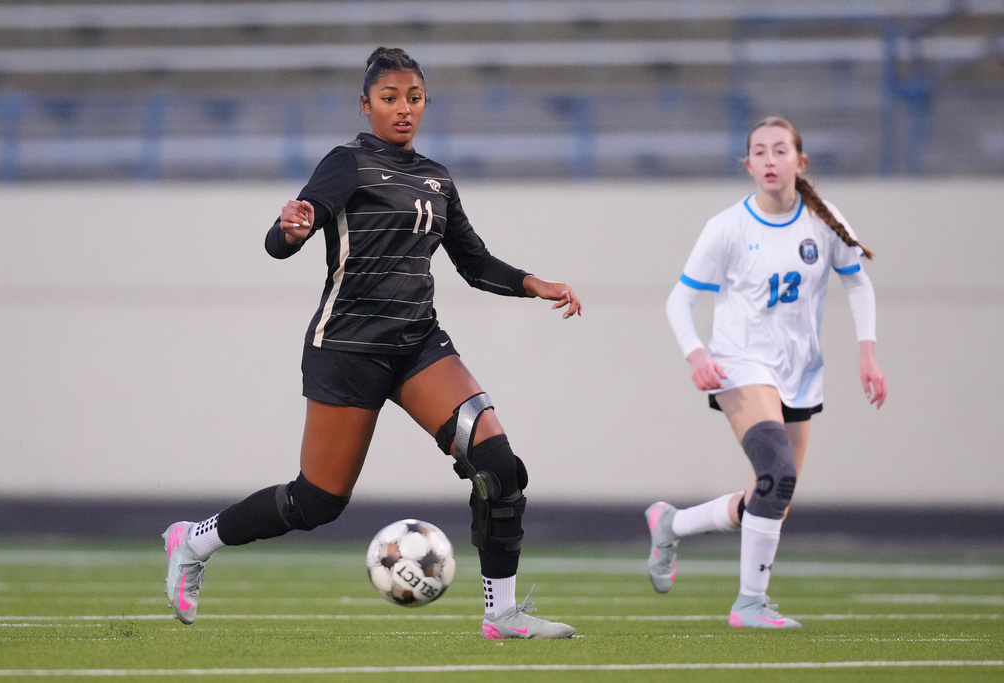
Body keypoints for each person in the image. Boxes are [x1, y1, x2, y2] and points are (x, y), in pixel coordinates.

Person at [162, 47, 581, 639]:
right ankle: (194, 541)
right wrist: (292, 230)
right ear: (366, 105)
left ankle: (502, 614)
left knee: (497, 465)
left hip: (418, 346)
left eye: (413, 98)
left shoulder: (437, 177)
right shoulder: (347, 164)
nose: (403, 108)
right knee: (317, 502)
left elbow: (473, 261)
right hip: (347, 349)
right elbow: (281, 241)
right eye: (390, 99)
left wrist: (531, 283)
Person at [646, 116, 887, 628]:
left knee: (773, 497)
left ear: (800, 163)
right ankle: (749, 605)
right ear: (749, 164)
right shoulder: (728, 227)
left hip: (800, 371)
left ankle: (672, 523)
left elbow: (858, 283)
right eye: (760, 151)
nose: (770, 160)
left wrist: (868, 352)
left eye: (781, 151)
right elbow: (679, 300)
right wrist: (697, 355)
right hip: (739, 364)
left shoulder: (823, 220)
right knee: (777, 476)